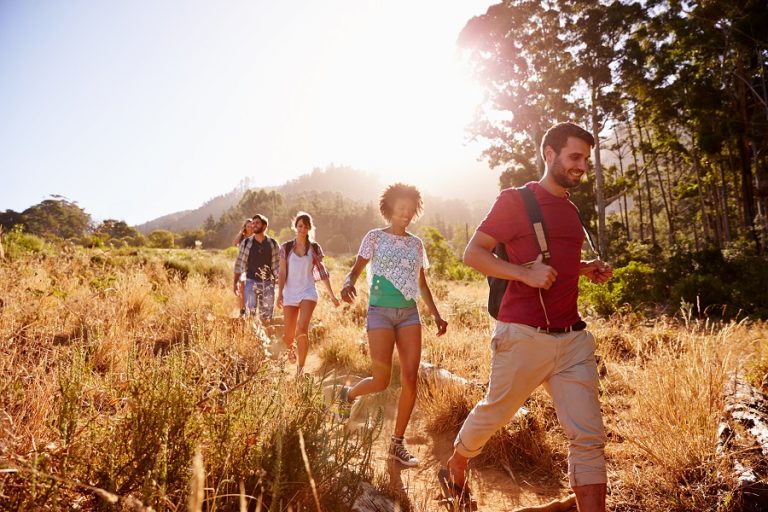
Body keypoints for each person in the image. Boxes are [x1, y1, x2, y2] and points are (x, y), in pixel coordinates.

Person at [440, 122, 613, 512]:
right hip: (523, 335)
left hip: (572, 340)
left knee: (588, 437)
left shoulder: (571, 209)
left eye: (585, 159)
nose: (581, 166)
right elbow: (473, 253)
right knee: (496, 411)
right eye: (574, 157)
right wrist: (523, 273)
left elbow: (557, 260)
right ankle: (456, 464)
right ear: (548, 154)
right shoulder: (515, 201)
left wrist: (587, 268)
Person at [339, 183, 448, 467]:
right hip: (380, 314)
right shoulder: (374, 238)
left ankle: (396, 444)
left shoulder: (416, 244)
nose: (406, 215)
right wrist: (348, 283)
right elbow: (355, 271)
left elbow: (421, 283)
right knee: (382, 380)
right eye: (401, 209)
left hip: (409, 314)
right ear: (389, 209)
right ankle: (347, 394)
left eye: (411, 210)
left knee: (411, 378)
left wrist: (436, 314)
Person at [277, 212, 340, 376]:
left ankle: (300, 369)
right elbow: (282, 273)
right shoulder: (286, 248)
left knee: (302, 328)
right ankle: (291, 350)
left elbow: (322, 272)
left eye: (305, 226)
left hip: (308, 292)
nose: (302, 229)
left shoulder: (314, 248)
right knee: (288, 335)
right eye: (299, 226)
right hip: (290, 292)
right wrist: (280, 294)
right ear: (295, 227)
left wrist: (332, 295)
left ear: (309, 228)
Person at [233, 214, 279, 324]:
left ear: (264, 226)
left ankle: (264, 339)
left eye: (257, 223)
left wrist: (280, 281)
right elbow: (239, 264)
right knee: (250, 315)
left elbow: (276, 266)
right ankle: (251, 339)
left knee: (266, 316)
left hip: (267, 284)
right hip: (251, 282)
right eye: (253, 223)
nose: (254, 225)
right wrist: (235, 283)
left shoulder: (272, 244)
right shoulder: (247, 243)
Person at [232, 218, 255, 317]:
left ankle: (251, 311)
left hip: (251, 265)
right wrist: (241, 232)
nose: (250, 228)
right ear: (245, 227)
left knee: (251, 289)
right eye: (248, 226)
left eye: (251, 226)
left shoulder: (256, 238)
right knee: (241, 287)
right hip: (241, 263)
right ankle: (242, 311)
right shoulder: (242, 238)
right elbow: (234, 243)